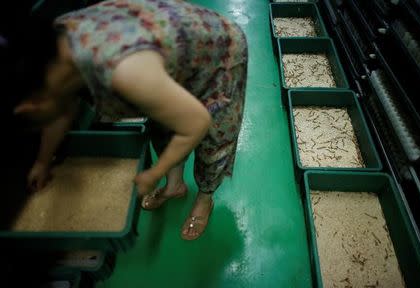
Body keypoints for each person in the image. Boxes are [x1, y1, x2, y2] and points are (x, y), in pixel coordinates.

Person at [3, 0, 247, 240]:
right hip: (169, 48)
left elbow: (197, 123)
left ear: (28, 107)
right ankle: (174, 186)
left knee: (216, 135)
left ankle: (205, 199)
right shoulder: (51, 53)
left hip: (217, 51)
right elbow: (61, 106)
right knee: (164, 122)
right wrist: (43, 161)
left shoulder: (124, 72)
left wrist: (153, 173)